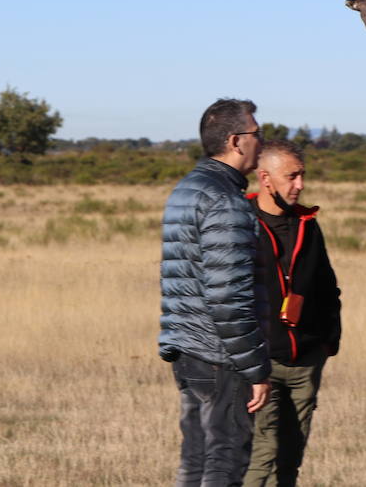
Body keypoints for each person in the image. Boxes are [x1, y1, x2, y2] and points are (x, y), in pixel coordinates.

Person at [160, 98, 271, 487]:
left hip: (188, 352)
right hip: (221, 357)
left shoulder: (185, 190)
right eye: (259, 134)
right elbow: (228, 298)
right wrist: (255, 367)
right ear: (237, 141)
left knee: (194, 460)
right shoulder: (226, 202)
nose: (263, 142)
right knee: (225, 462)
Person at [243, 139, 341, 487]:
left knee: (291, 457)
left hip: (306, 361)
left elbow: (328, 287)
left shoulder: (308, 225)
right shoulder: (240, 224)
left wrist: (328, 342)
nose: (300, 185)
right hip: (260, 365)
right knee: (262, 455)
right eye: (292, 176)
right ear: (265, 178)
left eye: (302, 176)